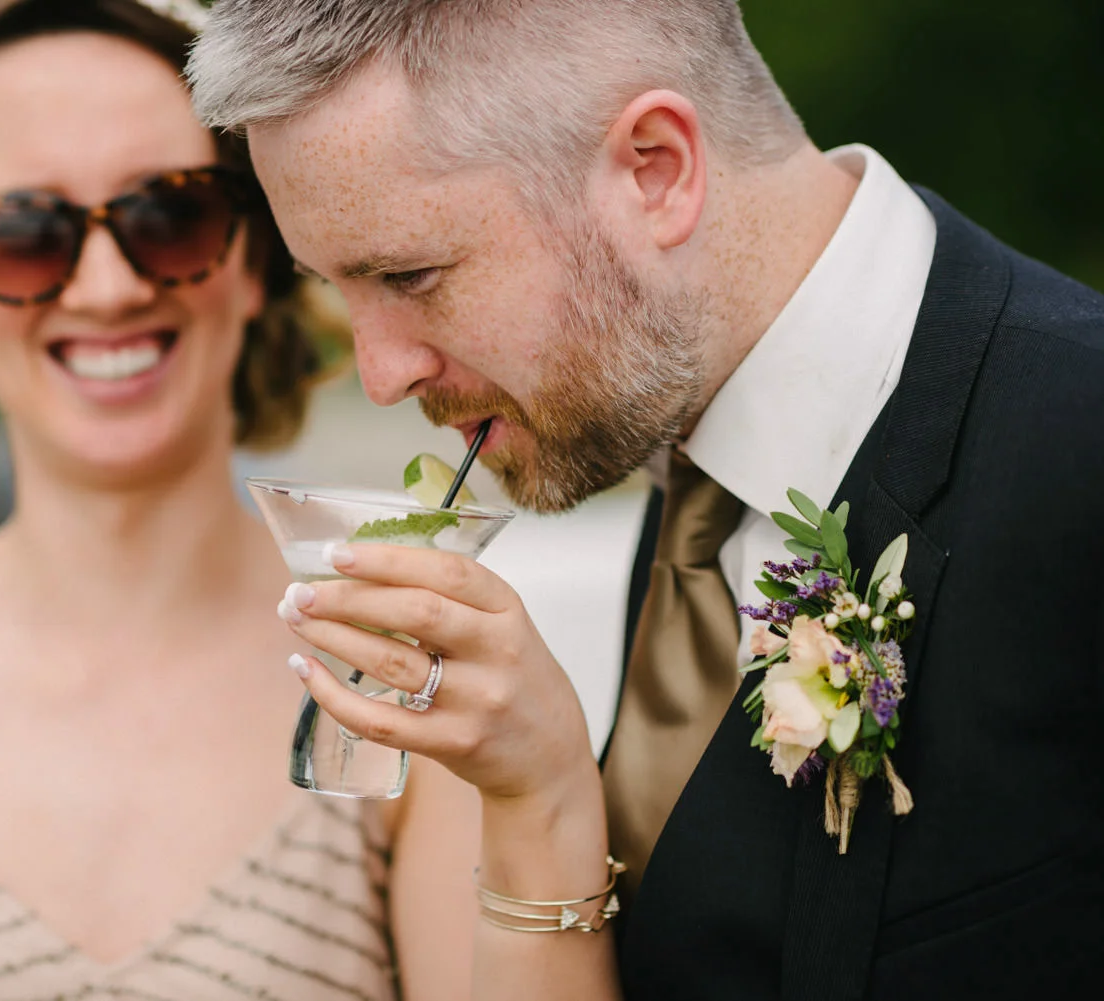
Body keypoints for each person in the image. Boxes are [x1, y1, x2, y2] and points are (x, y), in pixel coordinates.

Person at [188, 1, 1104, 998]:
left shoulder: (1076, 448)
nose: (380, 373)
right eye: (333, 286)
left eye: (412, 273)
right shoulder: (676, 436)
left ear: (656, 169)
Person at [0, 2, 495, 998]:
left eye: (170, 215)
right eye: (24, 233)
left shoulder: (394, 663)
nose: (109, 285)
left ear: (255, 255)